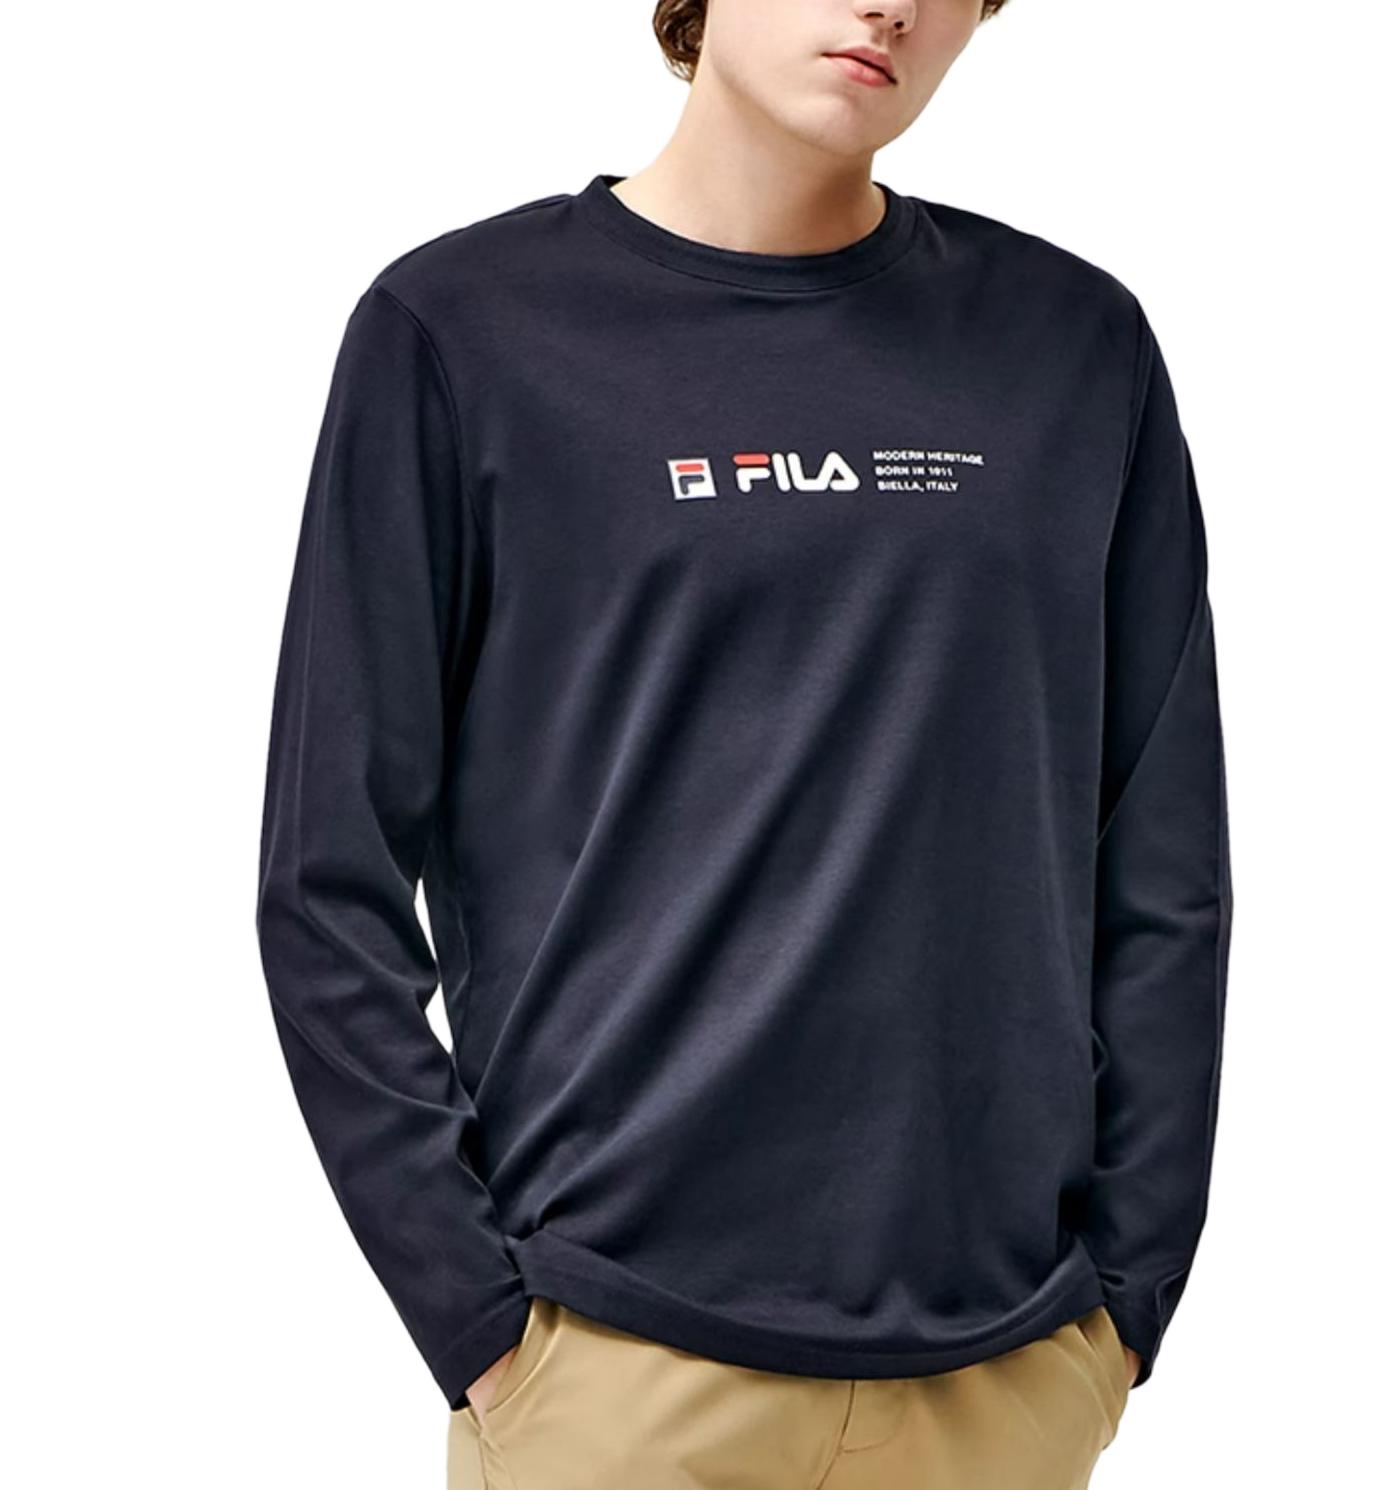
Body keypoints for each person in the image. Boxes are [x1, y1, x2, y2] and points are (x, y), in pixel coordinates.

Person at [254, 1, 1234, 1485]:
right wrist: (477, 1317)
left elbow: (1163, 855)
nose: (892, 4)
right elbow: (326, 876)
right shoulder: (462, 330)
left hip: (1004, 1373)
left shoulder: (1074, 346)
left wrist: (1125, 1303)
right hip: (612, 1368)